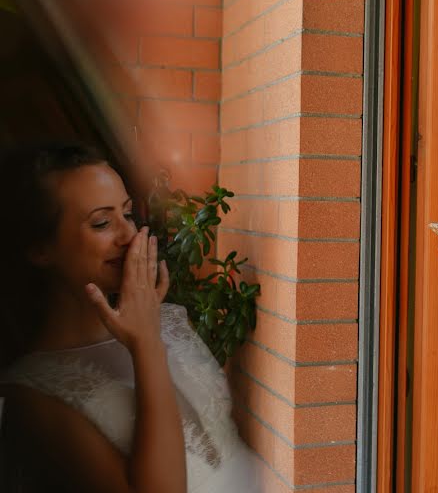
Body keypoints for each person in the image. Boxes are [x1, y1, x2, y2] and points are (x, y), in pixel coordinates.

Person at [0, 142, 260, 492]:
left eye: (128, 214)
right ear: (40, 249)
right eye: (102, 222)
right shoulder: (32, 393)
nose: (129, 235)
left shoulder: (170, 320)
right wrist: (146, 344)